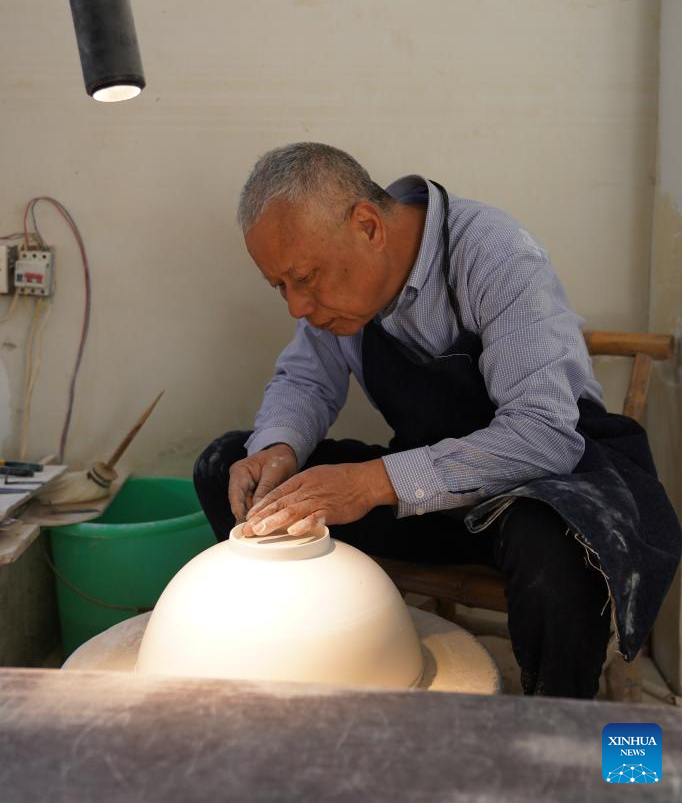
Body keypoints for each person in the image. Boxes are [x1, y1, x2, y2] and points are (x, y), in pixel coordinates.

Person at [194, 142, 681, 699]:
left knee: (555, 552)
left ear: (368, 226)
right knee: (227, 468)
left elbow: (544, 434)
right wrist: (276, 450)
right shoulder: (339, 299)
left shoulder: (495, 254)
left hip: (551, 489)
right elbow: (306, 382)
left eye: (304, 278)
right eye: (281, 286)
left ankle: (554, 731)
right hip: (431, 500)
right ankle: (293, 665)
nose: (297, 307)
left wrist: (370, 482)